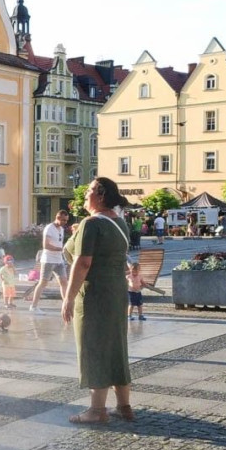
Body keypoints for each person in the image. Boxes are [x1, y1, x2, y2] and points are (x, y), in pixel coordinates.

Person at [61, 177, 135, 424]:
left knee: (94, 347)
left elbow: (83, 263)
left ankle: (96, 410)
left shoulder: (91, 224)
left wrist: (68, 298)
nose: (84, 194)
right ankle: (124, 406)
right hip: (117, 292)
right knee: (116, 345)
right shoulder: (119, 222)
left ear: (100, 195)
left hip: (95, 294)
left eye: (89, 190)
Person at [29, 210, 70, 313]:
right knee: (43, 283)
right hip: (48, 260)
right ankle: (33, 306)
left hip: (59, 260)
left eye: (66, 220)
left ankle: (66, 305)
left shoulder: (61, 229)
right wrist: (60, 249)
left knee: (64, 282)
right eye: (64, 220)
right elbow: (46, 245)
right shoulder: (49, 228)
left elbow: (59, 242)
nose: (65, 222)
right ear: (58, 218)